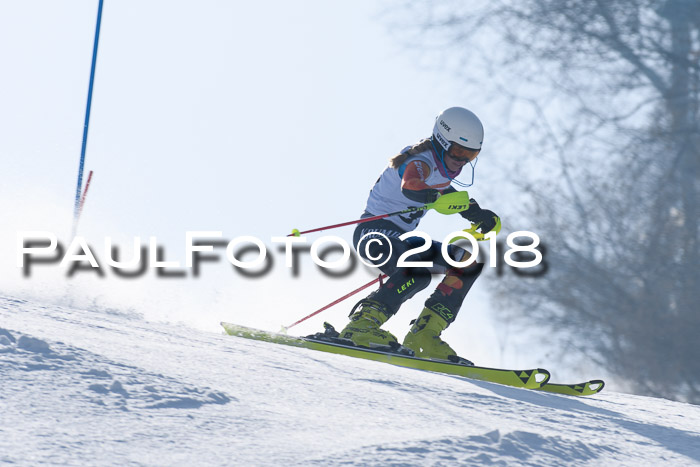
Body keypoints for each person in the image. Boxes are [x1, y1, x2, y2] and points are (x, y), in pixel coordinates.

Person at [336, 107, 500, 362]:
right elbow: (412, 185)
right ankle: (362, 325)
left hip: (402, 239)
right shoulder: (419, 161)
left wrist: (477, 214)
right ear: (442, 141)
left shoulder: (441, 168)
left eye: (471, 154)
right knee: (417, 271)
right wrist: (432, 196)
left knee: (467, 264)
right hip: (374, 234)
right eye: (458, 151)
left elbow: (447, 194)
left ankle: (424, 335)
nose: (462, 160)